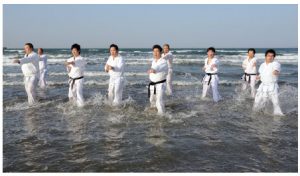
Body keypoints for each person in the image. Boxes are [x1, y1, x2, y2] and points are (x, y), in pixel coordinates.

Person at [253, 49, 284, 116]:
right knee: (257, 100)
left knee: (275, 102)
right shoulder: (262, 65)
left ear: (274, 57)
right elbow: (261, 73)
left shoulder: (276, 63)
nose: (270, 57)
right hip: (262, 86)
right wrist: (258, 77)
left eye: (272, 56)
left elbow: (277, 70)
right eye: (269, 56)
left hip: (272, 86)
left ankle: (278, 116)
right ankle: (256, 114)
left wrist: (276, 72)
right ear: (265, 56)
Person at [148, 45, 168, 115]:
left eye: (157, 51)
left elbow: (159, 67)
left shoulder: (163, 61)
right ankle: (153, 114)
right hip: (153, 84)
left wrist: (153, 69)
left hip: (160, 84)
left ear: (161, 52)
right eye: (154, 51)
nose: (155, 53)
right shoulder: (153, 61)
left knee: (159, 101)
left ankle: (162, 116)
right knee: (152, 100)